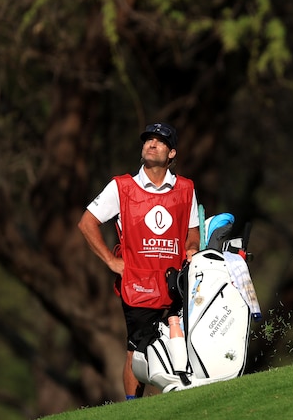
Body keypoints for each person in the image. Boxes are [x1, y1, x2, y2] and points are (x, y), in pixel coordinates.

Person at [78, 122, 200, 399]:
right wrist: (110, 261)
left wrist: (192, 248)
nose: (151, 144)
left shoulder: (185, 189)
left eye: (159, 141)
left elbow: (192, 230)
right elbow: (87, 223)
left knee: (178, 342)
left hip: (176, 281)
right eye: (148, 140)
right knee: (138, 347)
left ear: (172, 153)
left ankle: (175, 401)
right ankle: (134, 407)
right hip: (138, 283)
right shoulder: (121, 187)